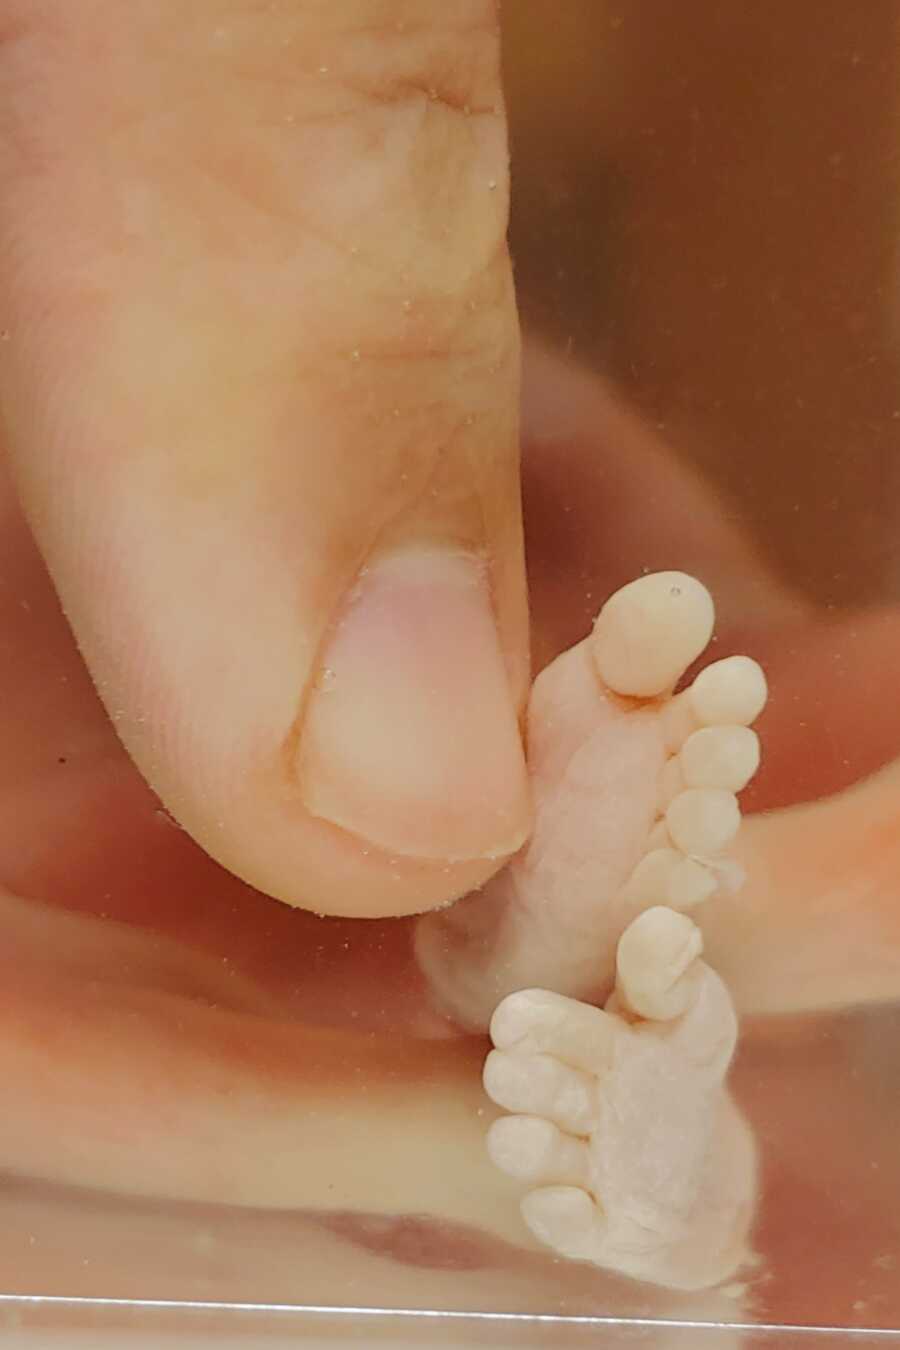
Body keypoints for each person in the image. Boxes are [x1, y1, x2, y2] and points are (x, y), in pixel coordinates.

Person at [2, 0, 900, 1297]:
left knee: (729, 688)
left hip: (319, 632)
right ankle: (533, 1091)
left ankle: (695, 936)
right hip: (266, 749)